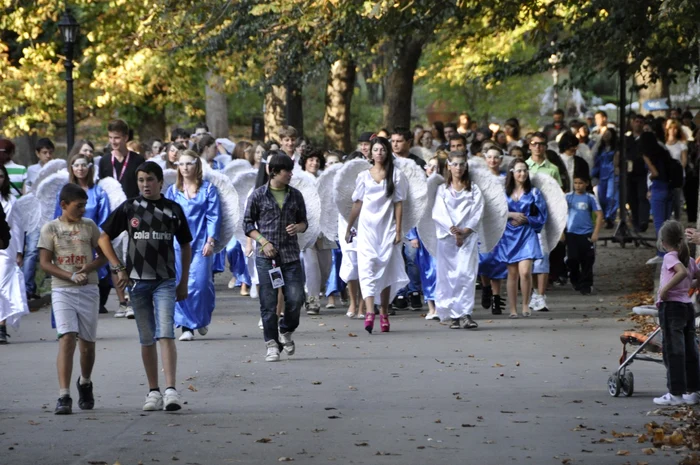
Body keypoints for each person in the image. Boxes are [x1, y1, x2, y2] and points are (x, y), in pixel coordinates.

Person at [98, 162, 192, 411]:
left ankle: (171, 390)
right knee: (146, 337)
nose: (145, 185)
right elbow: (103, 236)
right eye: (141, 180)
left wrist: (183, 281)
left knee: (166, 333)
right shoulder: (130, 207)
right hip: (137, 282)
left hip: (165, 281)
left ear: (161, 182)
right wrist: (117, 267)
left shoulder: (173, 210)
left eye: (150, 179)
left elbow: (185, 245)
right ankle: (153, 391)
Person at [38, 184, 107, 414]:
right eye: (78, 206)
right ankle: (64, 395)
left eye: (85, 206)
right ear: (64, 205)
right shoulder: (51, 228)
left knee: (87, 346)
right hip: (62, 290)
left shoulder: (89, 226)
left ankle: (85, 383)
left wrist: (87, 269)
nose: (83, 210)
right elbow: (45, 263)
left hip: (88, 290)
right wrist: (70, 275)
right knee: (67, 338)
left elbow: (103, 255)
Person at [243, 153, 308, 362]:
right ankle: (271, 343)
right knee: (268, 302)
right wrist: (263, 241)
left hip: (290, 255)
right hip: (266, 257)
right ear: (273, 172)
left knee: (296, 298)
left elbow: (304, 222)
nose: (290, 174)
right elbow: (247, 225)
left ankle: (286, 329)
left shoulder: (296, 195)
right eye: (286, 171)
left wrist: (298, 227)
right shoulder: (258, 195)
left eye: (291, 170)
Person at [345, 137, 409, 333]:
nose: (379, 153)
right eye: (375, 149)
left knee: (385, 267)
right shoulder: (364, 176)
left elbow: (399, 204)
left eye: (382, 149)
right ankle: (370, 311)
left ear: (387, 152)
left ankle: (384, 311)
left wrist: (398, 230)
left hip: (387, 228)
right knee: (366, 267)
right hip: (366, 228)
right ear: (370, 153)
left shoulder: (396, 175)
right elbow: (358, 203)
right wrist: (349, 227)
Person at [165, 150, 221, 341]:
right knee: (180, 283)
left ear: (196, 165)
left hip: (200, 242)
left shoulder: (208, 190)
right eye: (181, 164)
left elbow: (213, 216)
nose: (185, 167)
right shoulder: (172, 191)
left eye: (189, 163)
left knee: (202, 284)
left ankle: (202, 318)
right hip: (178, 244)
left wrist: (211, 240)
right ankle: (186, 326)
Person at [54, 152, 112, 314]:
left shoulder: (99, 191)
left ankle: (95, 304)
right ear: (71, 168)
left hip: (93, 238)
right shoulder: (64, 191)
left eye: (83, 165)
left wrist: (98, 240)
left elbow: (104, 217)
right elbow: (57, 215)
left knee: (99, 271)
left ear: (90, 168)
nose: (80, 168)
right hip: (69, 238)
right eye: (77, 165)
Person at [432, 151, 483, 329]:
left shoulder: (473, 189)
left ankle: (466, 313)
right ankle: (453, 314)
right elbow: (438, 212)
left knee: (466, 274)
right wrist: (453, 230)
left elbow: (477, 212)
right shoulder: (442, 190)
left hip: (468, 237)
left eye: (462, 164)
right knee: (448, 276)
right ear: (448, 165)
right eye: (455, 164)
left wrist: (465, 231)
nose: (458, 168)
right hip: (448, 238)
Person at [653, 220, 700, 406]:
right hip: (687, 307)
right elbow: (695, 275)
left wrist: (665, 289)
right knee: (690, 350)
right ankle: (694, 390)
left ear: (663, 241)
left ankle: (675, 393)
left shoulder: (670, 257)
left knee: (673, 351)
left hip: (671, 307)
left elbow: (680, 273)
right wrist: (691, 286)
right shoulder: (688, 259)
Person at [495, 159, 547, 318]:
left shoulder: (534, 192)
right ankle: (512, 309)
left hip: (527, 233)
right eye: (519, 170)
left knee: (525, 272)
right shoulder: (503, 192)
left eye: (525, 170)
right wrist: (510, 214)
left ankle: (525, 304)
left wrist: (528, 219)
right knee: (512, 273)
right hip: (509, 235)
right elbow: (496, 212)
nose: (522, 173)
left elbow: (542, 215)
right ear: (512, 172)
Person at [526, 132, 561, 312]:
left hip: (544, 217)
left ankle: (541, 294)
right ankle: (532, 292)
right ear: (529, 146)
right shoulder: (523, 166)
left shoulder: (552, 169)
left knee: (543, 256)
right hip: (525, 218)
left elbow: (558, 196)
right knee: (528, 257)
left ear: (545, 147)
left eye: (541, 144)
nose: (537, 147)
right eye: (534, 143)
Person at [0, 164, 29, 344]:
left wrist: (19, 251)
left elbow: (17, 227)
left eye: (1, 176)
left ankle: (1, 325)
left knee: (2, 285)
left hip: (6, 246)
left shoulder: (11, 200)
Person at [478, 148, 508, 315]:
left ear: (501, 159)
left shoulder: (505, 179)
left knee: (497, 261)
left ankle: (497, 298)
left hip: (501, 223)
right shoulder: (480, 179)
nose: (493, 160)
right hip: (483, 223)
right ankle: (486, 286)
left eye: (496, 157)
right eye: (489, 157)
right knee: (483, 260)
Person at [565, 176, 602, 295]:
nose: (577, 185)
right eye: (575, 183)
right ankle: (574, 278)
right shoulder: (568, 197)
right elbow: (560, 212)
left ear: (586, 183)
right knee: (572, 259)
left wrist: (595, 232)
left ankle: (586, 284)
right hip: (571, 233)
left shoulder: (590, 198)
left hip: (586, 233)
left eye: (580, 183)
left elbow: (599, 215)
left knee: (587, 259)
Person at [640, 132, 673, 263]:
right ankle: (670, 252)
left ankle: (661, 253)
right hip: (669, 188)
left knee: (659, 224)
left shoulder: (647, 155)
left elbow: (654, 173)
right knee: (667, 223)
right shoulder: (663, 152)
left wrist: (650, 178)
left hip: (657, 188)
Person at [98, 119, 146, 199]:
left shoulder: (138, 160)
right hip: (111, 207)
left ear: (126, 137)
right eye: (110, 137)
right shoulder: (104, 160)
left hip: (132, 206)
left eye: (117, 138)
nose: (113, 141)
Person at [591, 128, 620, 229]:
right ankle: (605, 215)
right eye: (605, 134)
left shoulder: (616, 148)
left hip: (612, 173)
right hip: (602, 174)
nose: (606, 136)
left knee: (611, 196)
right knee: (602, 197)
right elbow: (595, 160)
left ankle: (610, 217)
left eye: (608, 134)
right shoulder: (600, 148)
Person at [665, 119, 688, 221]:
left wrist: (678, 171)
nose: (673, 131)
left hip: (678, 175)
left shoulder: (681, 145)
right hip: (666, 175)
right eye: (671, 128)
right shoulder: (664, 145)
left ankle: (677, 220)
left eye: (675, 129)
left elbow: (684, 161)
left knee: (677, 199)